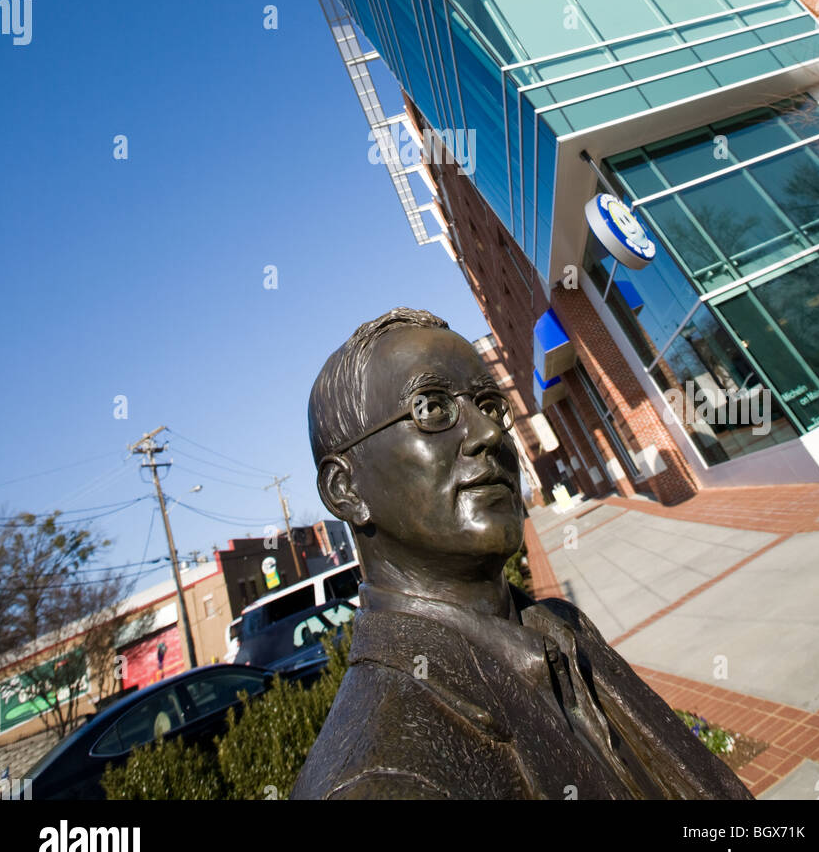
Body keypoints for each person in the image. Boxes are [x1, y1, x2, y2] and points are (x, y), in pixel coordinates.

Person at [290, 308, 753, 802]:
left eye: (490, 405)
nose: (489, 434)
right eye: (430, 408)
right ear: (346, 490)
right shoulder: (381, 777)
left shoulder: (560, 626)